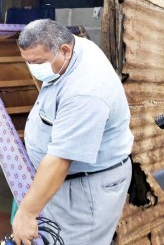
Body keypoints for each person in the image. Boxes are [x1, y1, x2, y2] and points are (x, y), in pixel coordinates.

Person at [12, 19, 133, 245]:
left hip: (87, 187)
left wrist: (27, 213)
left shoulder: (85, 92)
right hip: (70, 181)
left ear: (65, 50)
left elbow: (60, 160)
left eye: (38, 62)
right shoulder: (74, 47)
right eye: (27, 62)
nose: (33, 69)